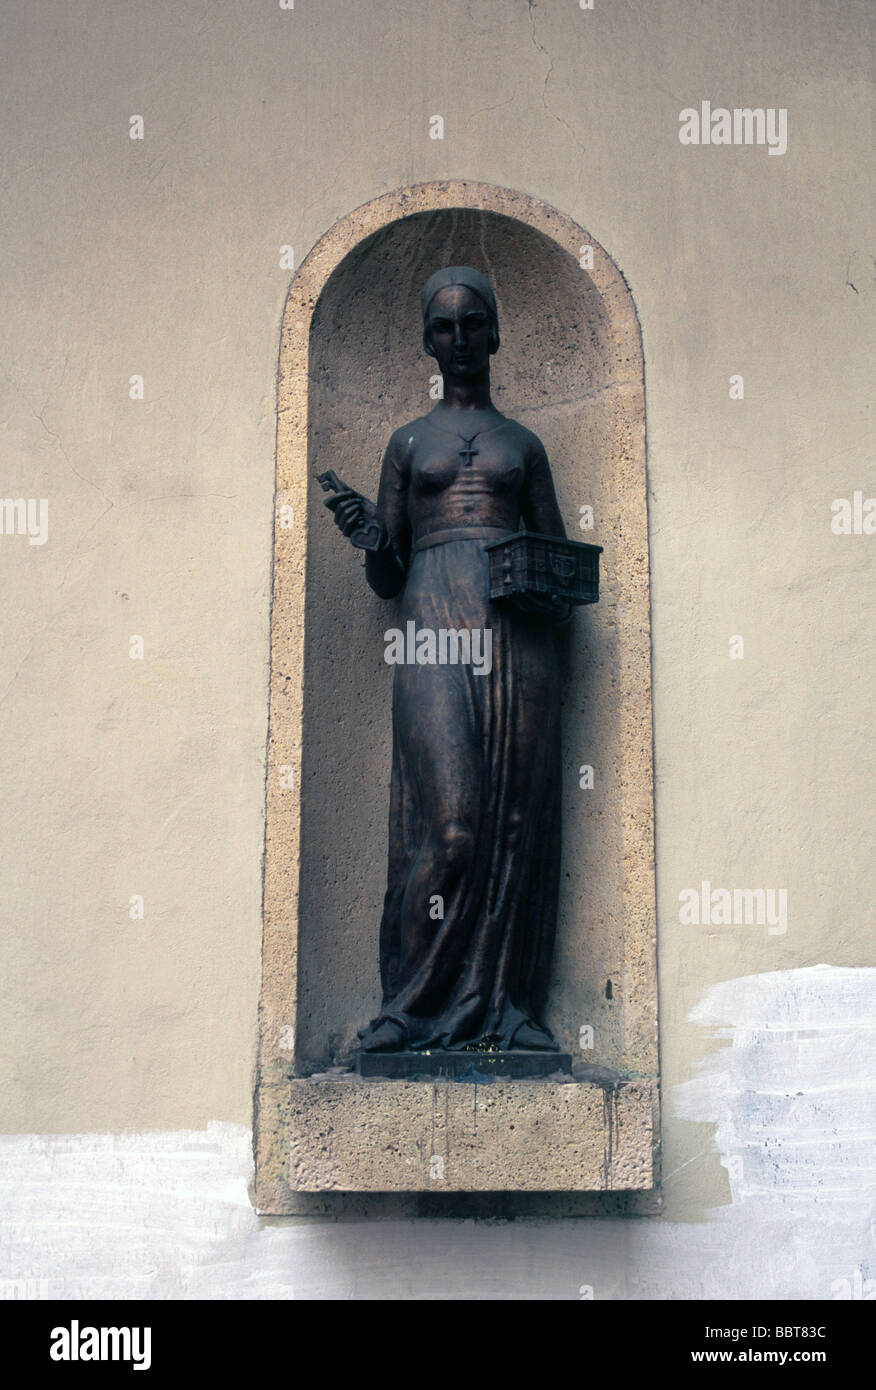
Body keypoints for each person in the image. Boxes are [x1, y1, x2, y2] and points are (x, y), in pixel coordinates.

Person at [325, 267, 569, 1053]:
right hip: (431, 624)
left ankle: (504, 1007)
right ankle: (411, 1003)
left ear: (494, 333)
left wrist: (542, 585)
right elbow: (388, 576)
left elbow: (559, 563)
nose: (459, 339)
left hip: (515, 637)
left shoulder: (523, 446)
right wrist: (372, 541)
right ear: (427, 342)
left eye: (472, 324)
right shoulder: (407, 442)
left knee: (512, 821)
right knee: (454, 824)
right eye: (444, 327)